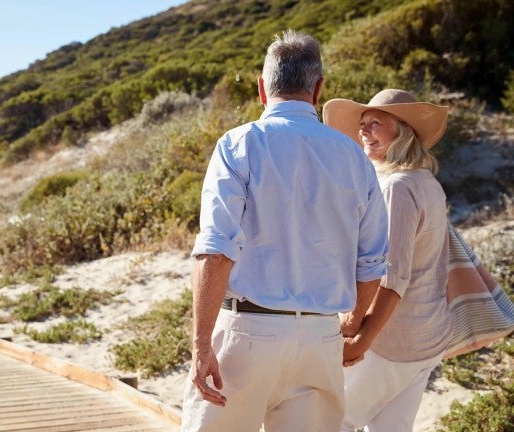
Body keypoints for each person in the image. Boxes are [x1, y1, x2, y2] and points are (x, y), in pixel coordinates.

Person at [181, 29, 389, 432]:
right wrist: (349, 322)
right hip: (320, 336)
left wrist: (200, 345)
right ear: (318, 90)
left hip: (247, 333)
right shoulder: (354, 157)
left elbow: (217, 251)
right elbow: (372, 262)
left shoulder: (238, 145)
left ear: (262, 88)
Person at [322, 89, 452, 432]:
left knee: (332, 421)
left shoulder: (396, 187)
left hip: (388, 341)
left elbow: (392, 276)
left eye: (376, 122)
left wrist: (358, 338)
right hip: (424, 337)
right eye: (363, 123)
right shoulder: (426, 182)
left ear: (403, 130)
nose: (364, 130)